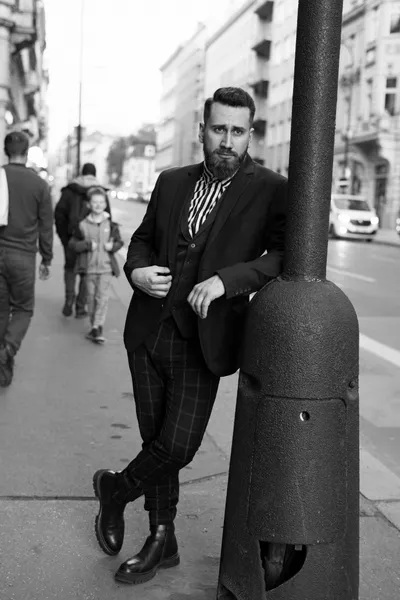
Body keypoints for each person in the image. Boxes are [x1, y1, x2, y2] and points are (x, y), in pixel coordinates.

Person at [93, 87, 287, 585]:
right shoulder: (171, 181)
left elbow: (284, 256)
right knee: (155, 439)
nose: (227, 141)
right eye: (219, 129)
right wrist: (136, 272)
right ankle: (162, 538)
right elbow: (140, 240)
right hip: (147, 330)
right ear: (203, 130)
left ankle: (116, 490)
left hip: (204, 338)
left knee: (178, 447)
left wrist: (228, 281)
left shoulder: (269, 188)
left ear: (249, 135)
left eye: (237, 131)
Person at [0, 131, 53, 387]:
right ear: (27, 151)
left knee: (1, 311)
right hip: (22, 255)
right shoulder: (39, 184)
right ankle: (6, 351)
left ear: (5, 150)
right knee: (22, 309)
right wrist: (47, 258)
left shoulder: (0, 176)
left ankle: (4, 371)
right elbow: (46, 225)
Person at [54, 163, 111, 318]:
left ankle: (69, 299)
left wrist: (64, 238)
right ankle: (80, 307)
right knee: (87, 271)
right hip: (93, 240)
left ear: (81, 173)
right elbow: (108, 219)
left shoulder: (69, 190)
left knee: (70, 268)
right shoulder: (100, 192)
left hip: (71, 237)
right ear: (94, 174)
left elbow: (59, 214)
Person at [68, 187, 123, 344]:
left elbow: (119, 242)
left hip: (106, 268)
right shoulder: (82, 225)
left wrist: (112, 246)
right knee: (91, 299)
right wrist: (86, 245)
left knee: (102, 298)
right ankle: (94, 327)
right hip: (89, 269)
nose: (98, 205)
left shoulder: (111, 225)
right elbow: (72, 244)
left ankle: (97, 327)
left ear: (105, 204)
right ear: (89, 204)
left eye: (101, 202)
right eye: (95, 202)